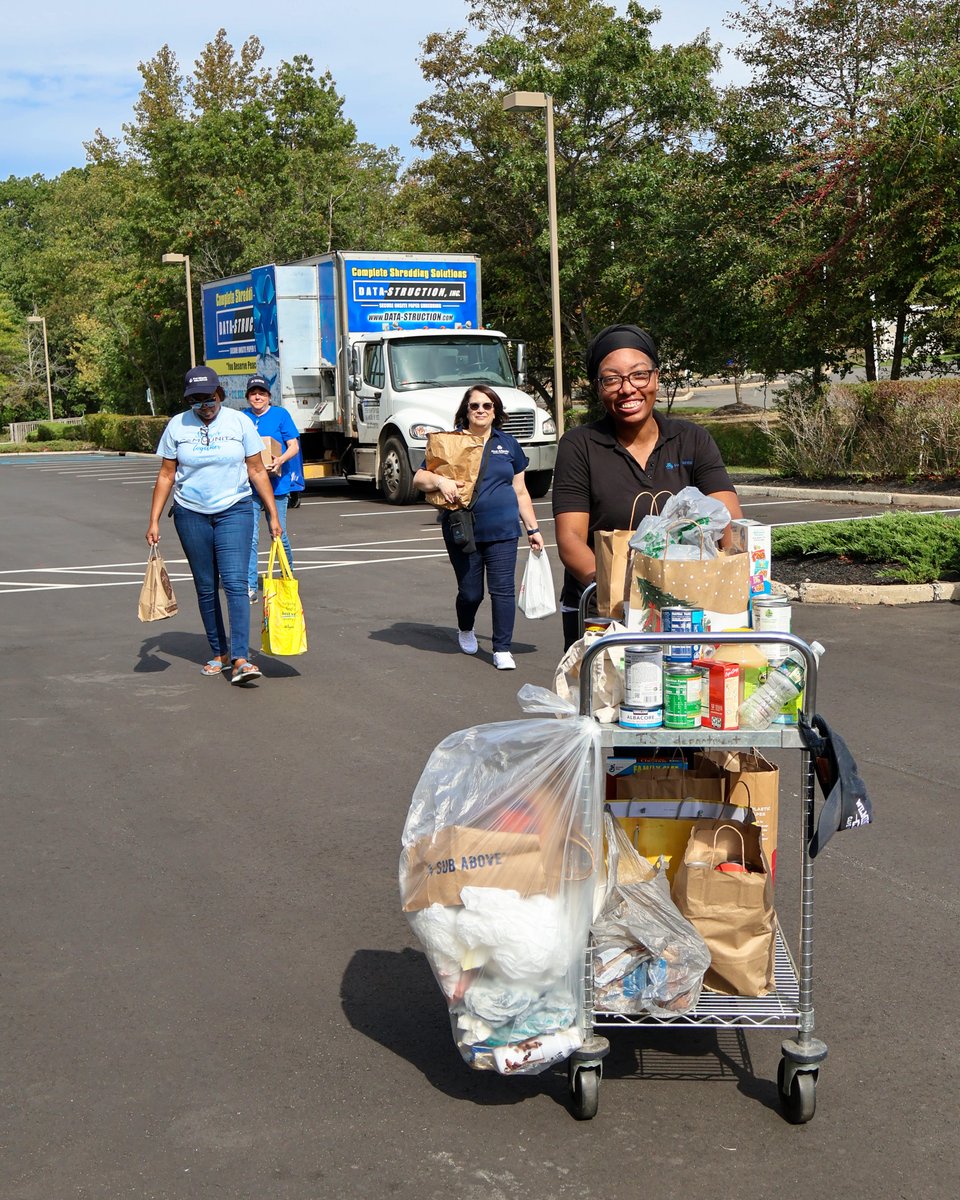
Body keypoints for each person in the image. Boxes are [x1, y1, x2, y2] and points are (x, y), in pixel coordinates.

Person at [552, 324, 743, 649]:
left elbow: (729, 523)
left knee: (685, 694)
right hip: (604, 614)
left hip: (688, 606)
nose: (627, 389)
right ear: (599, 388)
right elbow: (570, 538)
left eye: (639, 375)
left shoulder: (692, 440)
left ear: (656, 377)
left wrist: (733, 573)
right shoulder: (580, 445)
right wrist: (614, 587)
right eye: (612, 379)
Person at [145, 365, 283, 686]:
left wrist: (273, 514)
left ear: (219, 394)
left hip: (234, 510)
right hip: (190, 514)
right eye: (196, 401)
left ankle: (240, 659)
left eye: (208, 399)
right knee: (206, 586)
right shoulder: (177, 426)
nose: (204, 406)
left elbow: (257, 469)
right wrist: (153, 519)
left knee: (235, 582)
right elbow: (167, 474)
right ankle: (219, 651)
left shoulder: (240, 422)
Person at [413, 384, 545, 670]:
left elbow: (520, 491)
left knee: (503, 590)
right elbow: (419, 478)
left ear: (495, 411)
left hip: (504, 529)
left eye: (487, 406)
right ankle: (465, 628)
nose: (481, 411)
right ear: (466, 411)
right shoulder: (450, 442)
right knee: (471, 592)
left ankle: (502, 648)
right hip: (464, 528)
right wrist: (440, 481)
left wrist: (533, 529)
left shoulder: (508, 443)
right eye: (475, 406)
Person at [241, 374, 303, 601]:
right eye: (253, 393)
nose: (257, 397)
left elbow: (293, 445)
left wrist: (280, 460)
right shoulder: (242, 418)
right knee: (250, 536)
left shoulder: (280, 415)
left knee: (278, 533)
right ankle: (249, 586)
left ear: (269, 396)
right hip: (251, 487)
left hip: (277, 485)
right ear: (248, 396)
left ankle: (287, 576)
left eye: (262, 393)